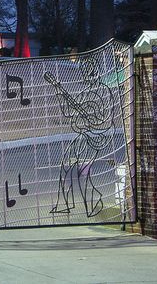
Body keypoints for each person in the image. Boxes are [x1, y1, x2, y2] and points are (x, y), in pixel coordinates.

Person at [44, 56, 115, 217]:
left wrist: (91, 120)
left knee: (83, 173)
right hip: (83, 135)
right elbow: (70, 112)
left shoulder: (104, 90)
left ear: (95, 72)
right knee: (65, 168)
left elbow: (105, 119)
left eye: (90, 71)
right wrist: (58, 90)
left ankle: (92, 204)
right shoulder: (85, 92)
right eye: (84, 72)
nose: (87, 75)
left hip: (94, 137)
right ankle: (65, 205)